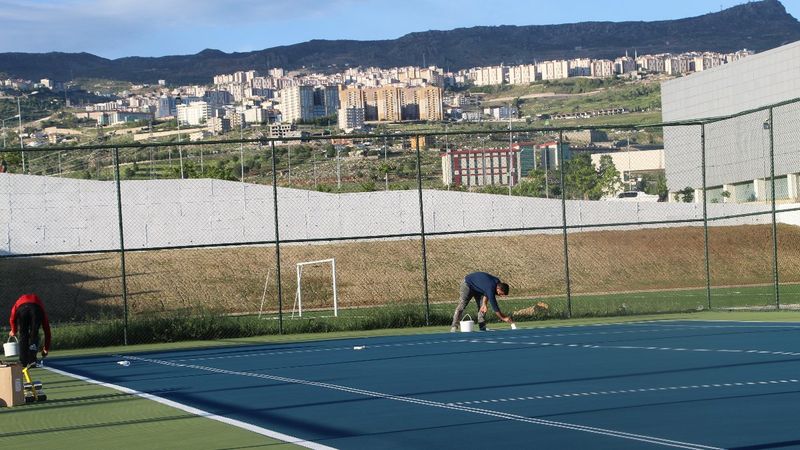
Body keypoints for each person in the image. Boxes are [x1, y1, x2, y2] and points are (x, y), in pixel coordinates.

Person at [8, 294, 51, 368]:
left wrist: (14, 330)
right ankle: (32, 360)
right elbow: (47, 330)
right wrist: (46, 349)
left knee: (23, 335)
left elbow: (12, 318)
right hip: (36, 310)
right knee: (34, 334)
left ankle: (22, 362)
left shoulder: (18, 302)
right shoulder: (40, 305)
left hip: (22, 310)